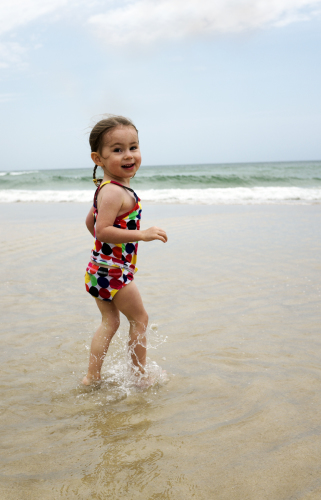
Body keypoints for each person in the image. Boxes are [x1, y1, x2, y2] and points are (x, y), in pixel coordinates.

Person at [82, 115, 167, 386]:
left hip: (100, 269)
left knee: (110, 322)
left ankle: (91, 378)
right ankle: (140, 375)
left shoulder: (107, 188)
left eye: (133, 147)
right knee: (140, 318)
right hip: (114, 272)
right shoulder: (114, 192)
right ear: (99, 158)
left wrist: (106, 251)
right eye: (117, 150)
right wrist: (140, 235)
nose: (128, 155)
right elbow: (102, 230)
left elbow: (90, 221)